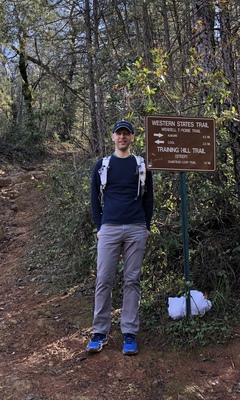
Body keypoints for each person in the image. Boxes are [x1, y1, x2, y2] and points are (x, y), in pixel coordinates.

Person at [88, 120, 153, 355]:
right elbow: (95, 199)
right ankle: (99, 332)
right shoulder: (102, 165)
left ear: (132, 138)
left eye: (127, 134)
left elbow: (149, 199)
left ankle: (129, 333)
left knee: (132, 280)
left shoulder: (141, 165)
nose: (122, 137)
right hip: (110, 228)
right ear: (113, 137)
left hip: (136, 227)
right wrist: (99, 226)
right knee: (104, 279)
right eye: (119, 134)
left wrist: (146, 225)